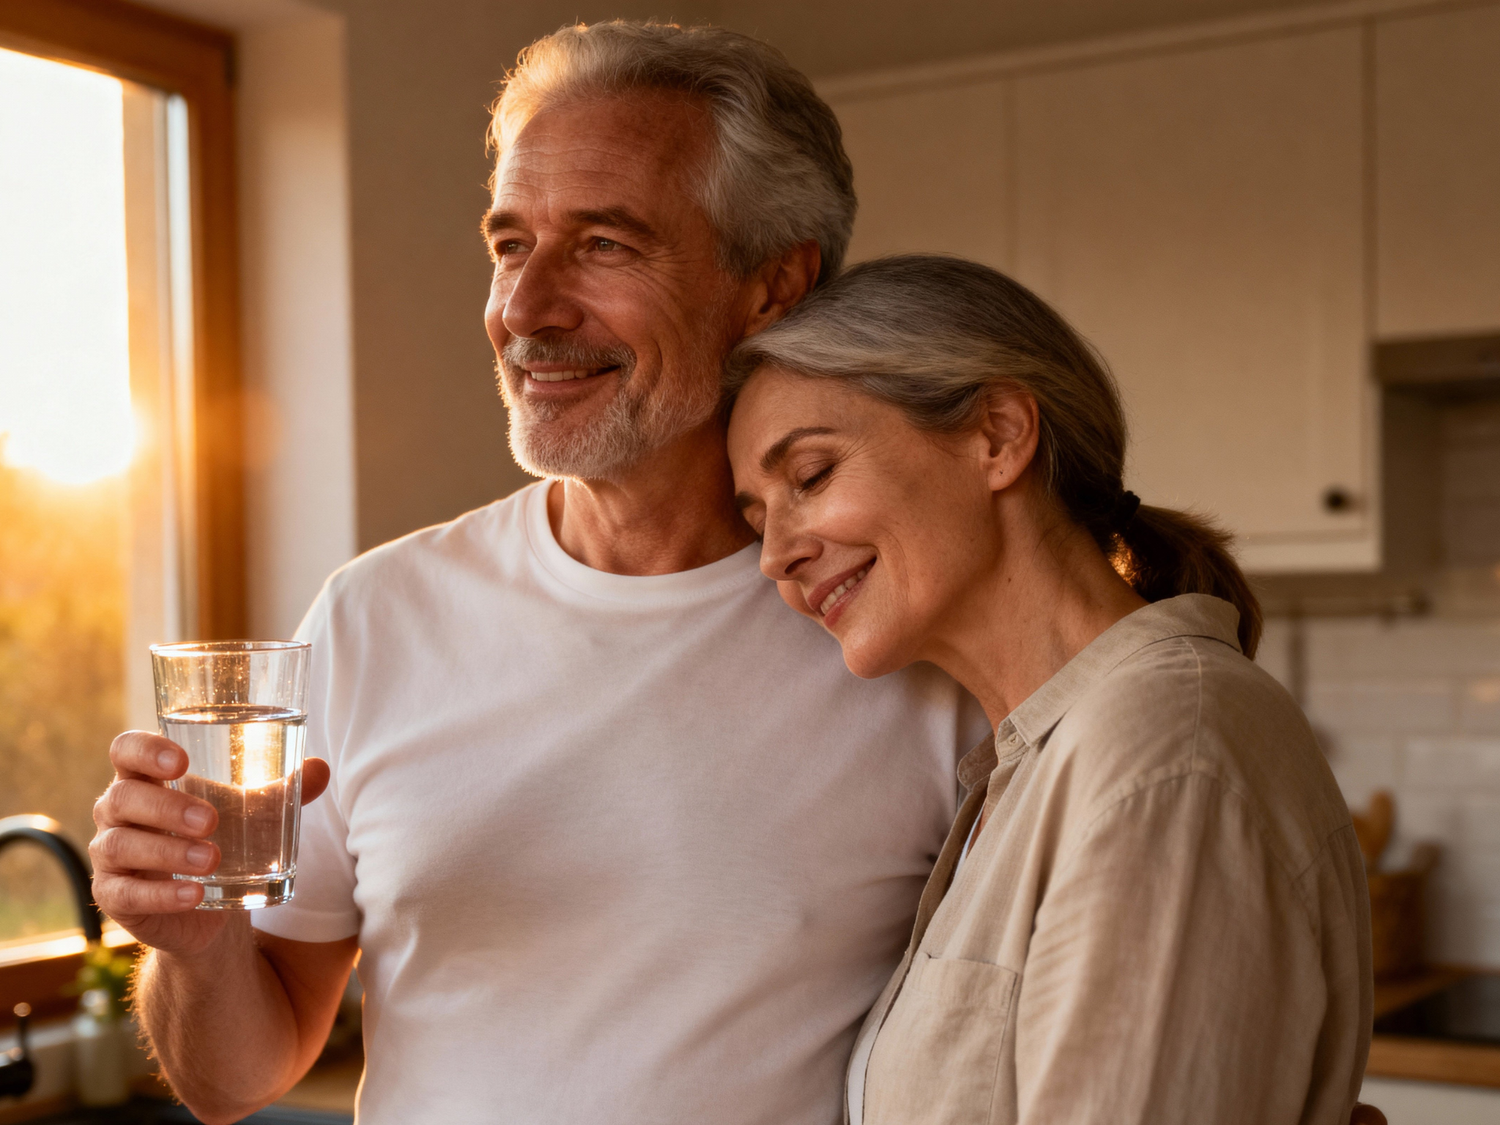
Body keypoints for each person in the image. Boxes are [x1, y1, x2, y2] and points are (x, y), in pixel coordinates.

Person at [87, 24, 990, 1125]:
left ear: (771, 288)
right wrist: (194, 943)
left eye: (604, 244)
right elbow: (232, 1078)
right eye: (511, 244)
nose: (524, 309)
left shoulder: (909, 642)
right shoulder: (374, 616)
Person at [725, 255, 1376, 1125]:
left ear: (998, 436)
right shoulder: (1031, 766)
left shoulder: (1162, 749)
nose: (776, 556)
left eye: (810, 476)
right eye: (757, 520)